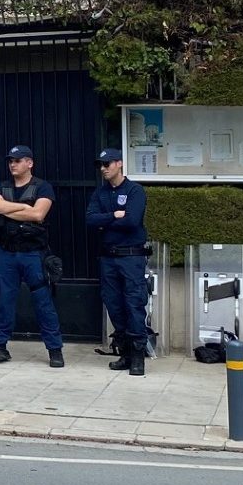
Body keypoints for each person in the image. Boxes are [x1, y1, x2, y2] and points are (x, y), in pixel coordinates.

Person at [0, 145, 65, 368]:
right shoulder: (0, 186)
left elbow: (38, 213)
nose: (13, 164)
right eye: (11, 160)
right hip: (6, 253)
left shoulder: (42, 187)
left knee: (43, 301)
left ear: (29, 163)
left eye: (18, 160)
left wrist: (7, 208)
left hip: (33, 254)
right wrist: (23, 208)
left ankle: (54, 349)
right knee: (3, 300)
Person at [86, 148, 149, 376]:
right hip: (108, 257)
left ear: (119, 164)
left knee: (134, 303)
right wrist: (114, 215)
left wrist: (107, 220)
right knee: (113, 304)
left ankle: (138, 356)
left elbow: (132, 221)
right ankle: (124, 352)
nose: (103, 169)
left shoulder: (134, 190)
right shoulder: (100, 193)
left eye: (107, 164)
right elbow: (90, 220)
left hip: (131, 256)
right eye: (101, 165)